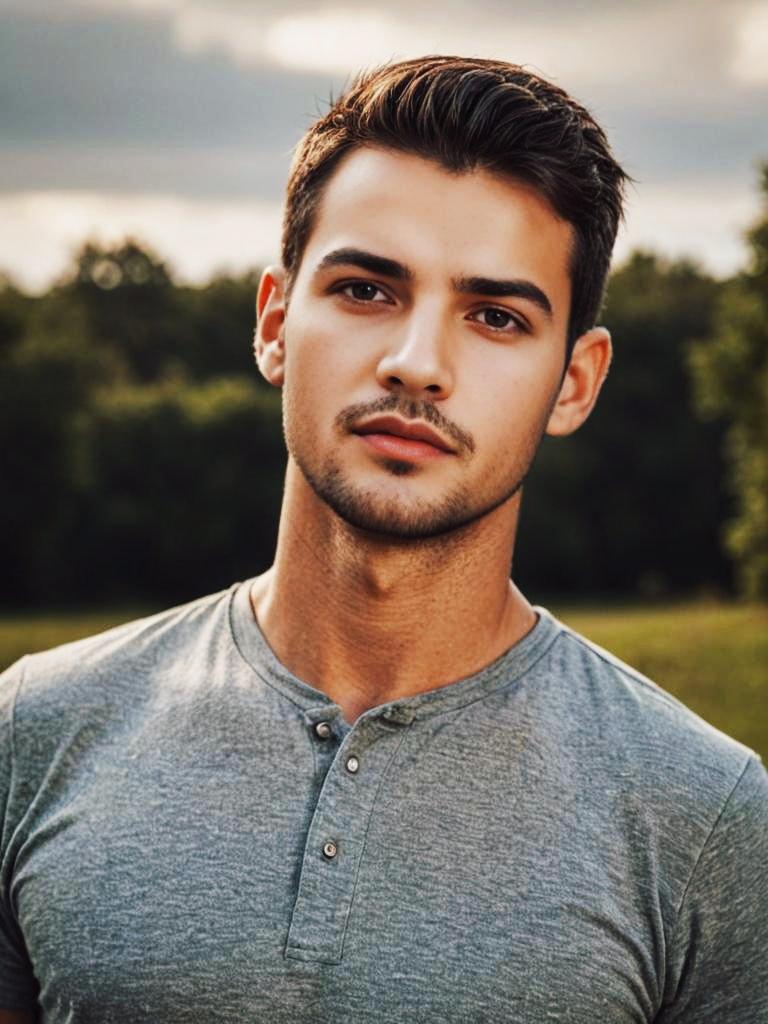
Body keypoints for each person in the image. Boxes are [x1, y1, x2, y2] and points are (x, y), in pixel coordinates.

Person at [1, 55, 766, 1024]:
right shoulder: (35, 732)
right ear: (276, 320)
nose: (417, 363)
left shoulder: (705, 816)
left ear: (574, 381)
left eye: (495, 315)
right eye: (368, 290)